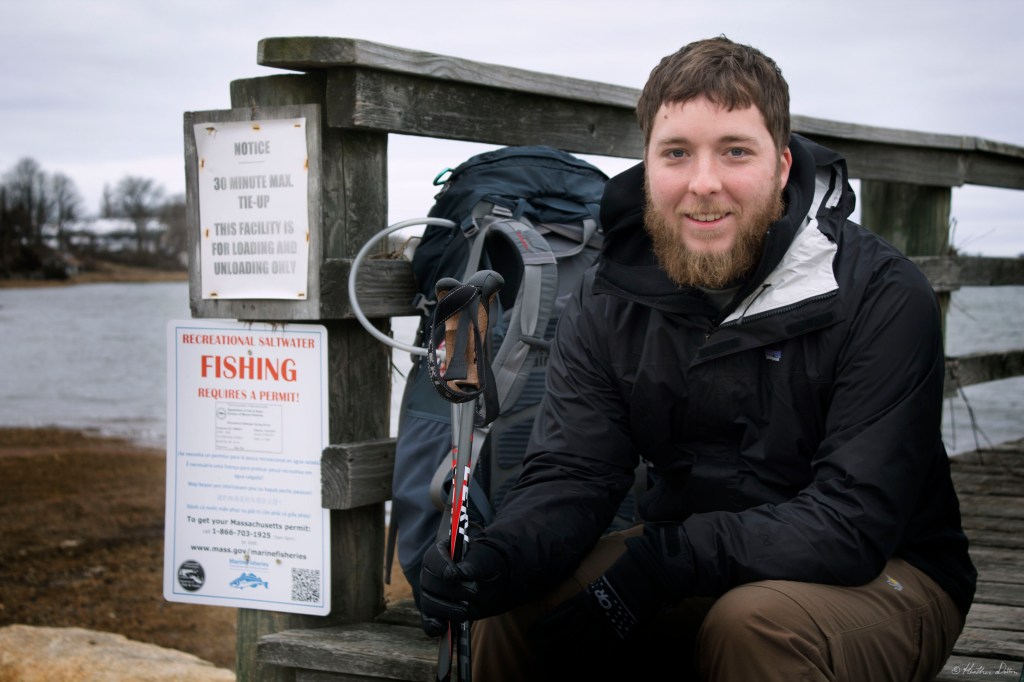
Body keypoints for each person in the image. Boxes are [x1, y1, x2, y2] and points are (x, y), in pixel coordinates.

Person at [419, 35, 977, 681]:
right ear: (648, 164)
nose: (703, 183)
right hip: (692, 557)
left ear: (782, 167)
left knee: (753, 624)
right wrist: (500, 558)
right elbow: (575, 472)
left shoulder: (881, 293)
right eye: (677, 153)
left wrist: (664, 565)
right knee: (513, 605)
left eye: (735, 151)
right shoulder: (609, 296)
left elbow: (854, 523)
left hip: (887, 571)